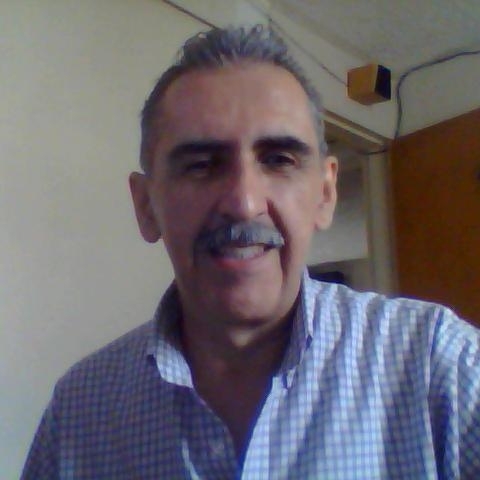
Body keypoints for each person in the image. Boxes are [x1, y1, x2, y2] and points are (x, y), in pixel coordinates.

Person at [22, 25, 480, 479]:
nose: (243, 203)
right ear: (146, 207)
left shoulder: (440, 367)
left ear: (325, 194)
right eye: (201, 165)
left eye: (279, 160)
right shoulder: (79, 411)